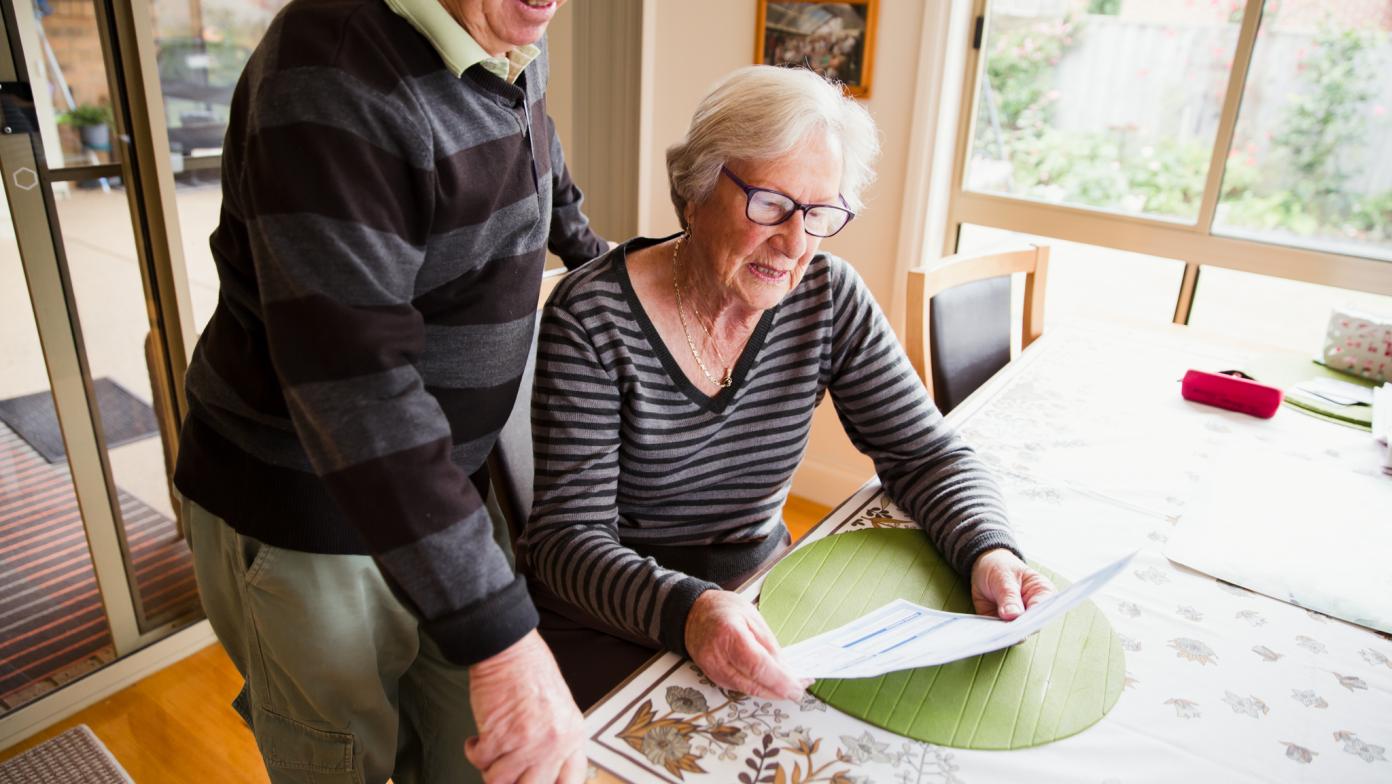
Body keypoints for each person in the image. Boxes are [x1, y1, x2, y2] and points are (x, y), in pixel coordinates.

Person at [518, 65, 1056, 708]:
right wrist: (691, 612)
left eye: (820, 212)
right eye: (770, 205)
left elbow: (926, 454)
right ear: (694, 192)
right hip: (616, 618)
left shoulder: (828, 298)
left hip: (762, 588)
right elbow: (564, 543)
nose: (795, 243)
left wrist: (989, 549)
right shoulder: (592, 316)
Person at [173, 0, 605, 781]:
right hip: (311, 508)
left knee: (469, 759)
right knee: (349, 763)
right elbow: (357, 389)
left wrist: (605, 266)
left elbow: (537, 149)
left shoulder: (505, 30)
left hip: (441, 486)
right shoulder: (335, 72)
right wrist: (505, 639)